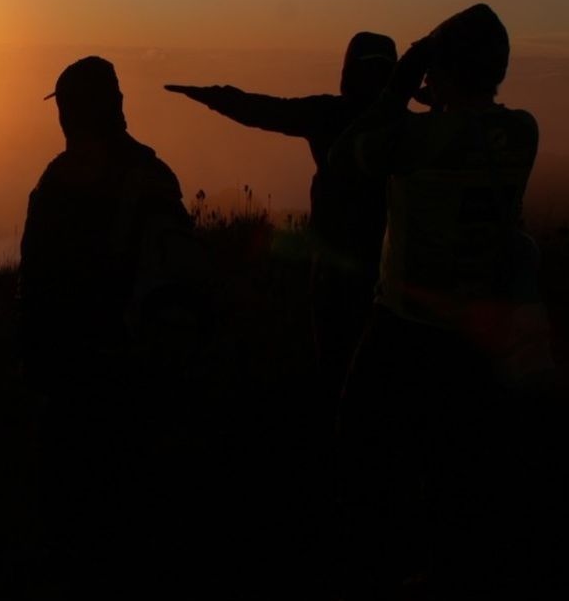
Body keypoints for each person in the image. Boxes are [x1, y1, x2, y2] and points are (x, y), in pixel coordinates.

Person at [330, 4, 547, 601]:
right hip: (473, 344)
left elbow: (349, 156)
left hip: (402, 333)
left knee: (367, 467)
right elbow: (468, 133)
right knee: (452, 481)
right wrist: (443, 93)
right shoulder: (521, 133)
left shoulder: (416, 139)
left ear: (444, 68)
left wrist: (402, 82)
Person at [17, 55, 208, 601]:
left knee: (93, 529)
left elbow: (36, 286)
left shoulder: (65, 179)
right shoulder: (145, 176)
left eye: (68, 108)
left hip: (100, 382)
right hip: (107, 381)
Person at [164, 32, 398, 382]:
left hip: (334, 264)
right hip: (387, 265)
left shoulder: (329, 114)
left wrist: (213, 96)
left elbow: (266, 111)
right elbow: (266, 110)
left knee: (335, 360)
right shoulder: (404, 125)